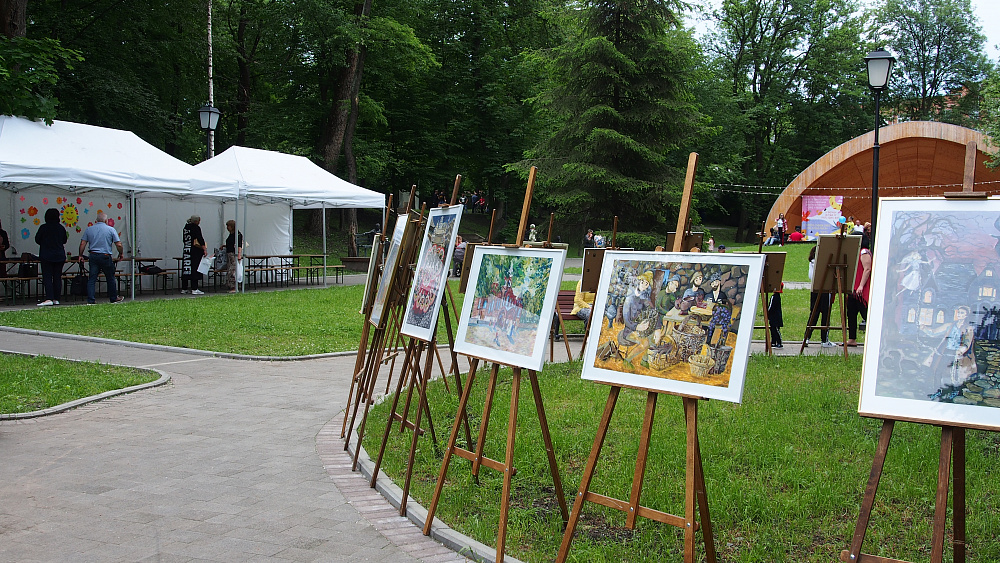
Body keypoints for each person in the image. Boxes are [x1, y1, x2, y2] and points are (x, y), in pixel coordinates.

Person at [78, 209, 124, 304]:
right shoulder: (111, 229)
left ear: (96, 220)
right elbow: (118, 244)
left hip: (93, 255)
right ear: (106, 221)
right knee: (110, 277)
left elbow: (83, 243)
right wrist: (121, 253)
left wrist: (80, 255)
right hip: (106, 256)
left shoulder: (89, 229)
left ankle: (91, 299)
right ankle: (113, 298)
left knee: (92, 279)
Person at [35, 208, 68, 306]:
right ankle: (56, 298)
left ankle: (49, 297)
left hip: (46, 255)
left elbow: (37, 240)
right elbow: (64, 240)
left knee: (47, 277)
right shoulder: (61, 228)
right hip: (59, 255)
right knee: (57, 277)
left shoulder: (43, 227)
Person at [804, 245, 835, 347]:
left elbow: (810, 276)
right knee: (825, 314)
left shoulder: (812, 262)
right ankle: (824, 340)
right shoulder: (820, 262)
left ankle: (806, 338)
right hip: (824, 289)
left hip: (815, 288)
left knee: (814, 313)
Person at [846, 231, 873, 347]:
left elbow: (867, 269)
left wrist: (861, 285)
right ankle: (852, 338)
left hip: (861, 288)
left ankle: (873, 338)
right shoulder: (857, 253)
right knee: (851, 313)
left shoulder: (864, 252)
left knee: (865, 312)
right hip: (854, 288)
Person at [181, 215, 208, 295]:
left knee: (186, 269)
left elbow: (184, 239)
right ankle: (194, 288)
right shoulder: (196, 228)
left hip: (186, 250)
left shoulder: (186, 228)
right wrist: (204, 248)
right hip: (194, 251)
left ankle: (184, 288)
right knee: (194, 268)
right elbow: (199, 238)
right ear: (196, 221)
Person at [224, 220, 244, 293]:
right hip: (229, 254)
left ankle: (234, 286)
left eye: (228, 226)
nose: (227, 228)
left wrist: (239, 255)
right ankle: (232, 286)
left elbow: (239, 245)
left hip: (233, 254)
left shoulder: (238, 235)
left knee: (233, 271)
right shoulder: (231, 234)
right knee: (230, 270)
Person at [767, 283, 784, 348]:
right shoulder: (777, 297)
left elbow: (770, 307)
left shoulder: (774, 297)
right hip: (775, 316)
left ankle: (779, 342)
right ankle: (773, 342)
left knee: (775, 329)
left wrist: (767, 313)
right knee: (773, 329)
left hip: (774, 317)